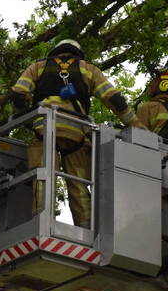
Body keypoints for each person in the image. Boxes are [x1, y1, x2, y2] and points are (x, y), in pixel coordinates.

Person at [10, 38, 142, 227]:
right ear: (78, 52)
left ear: (55, 51)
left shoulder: (37, 67)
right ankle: (86, 229)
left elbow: (18, 93)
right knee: (79, 184)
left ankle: (41, 223)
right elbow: (114, 99)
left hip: (44, 131)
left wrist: (28, 120)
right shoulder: (89, 69)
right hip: (76, 134)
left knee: (43, 178)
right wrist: (136, 125)